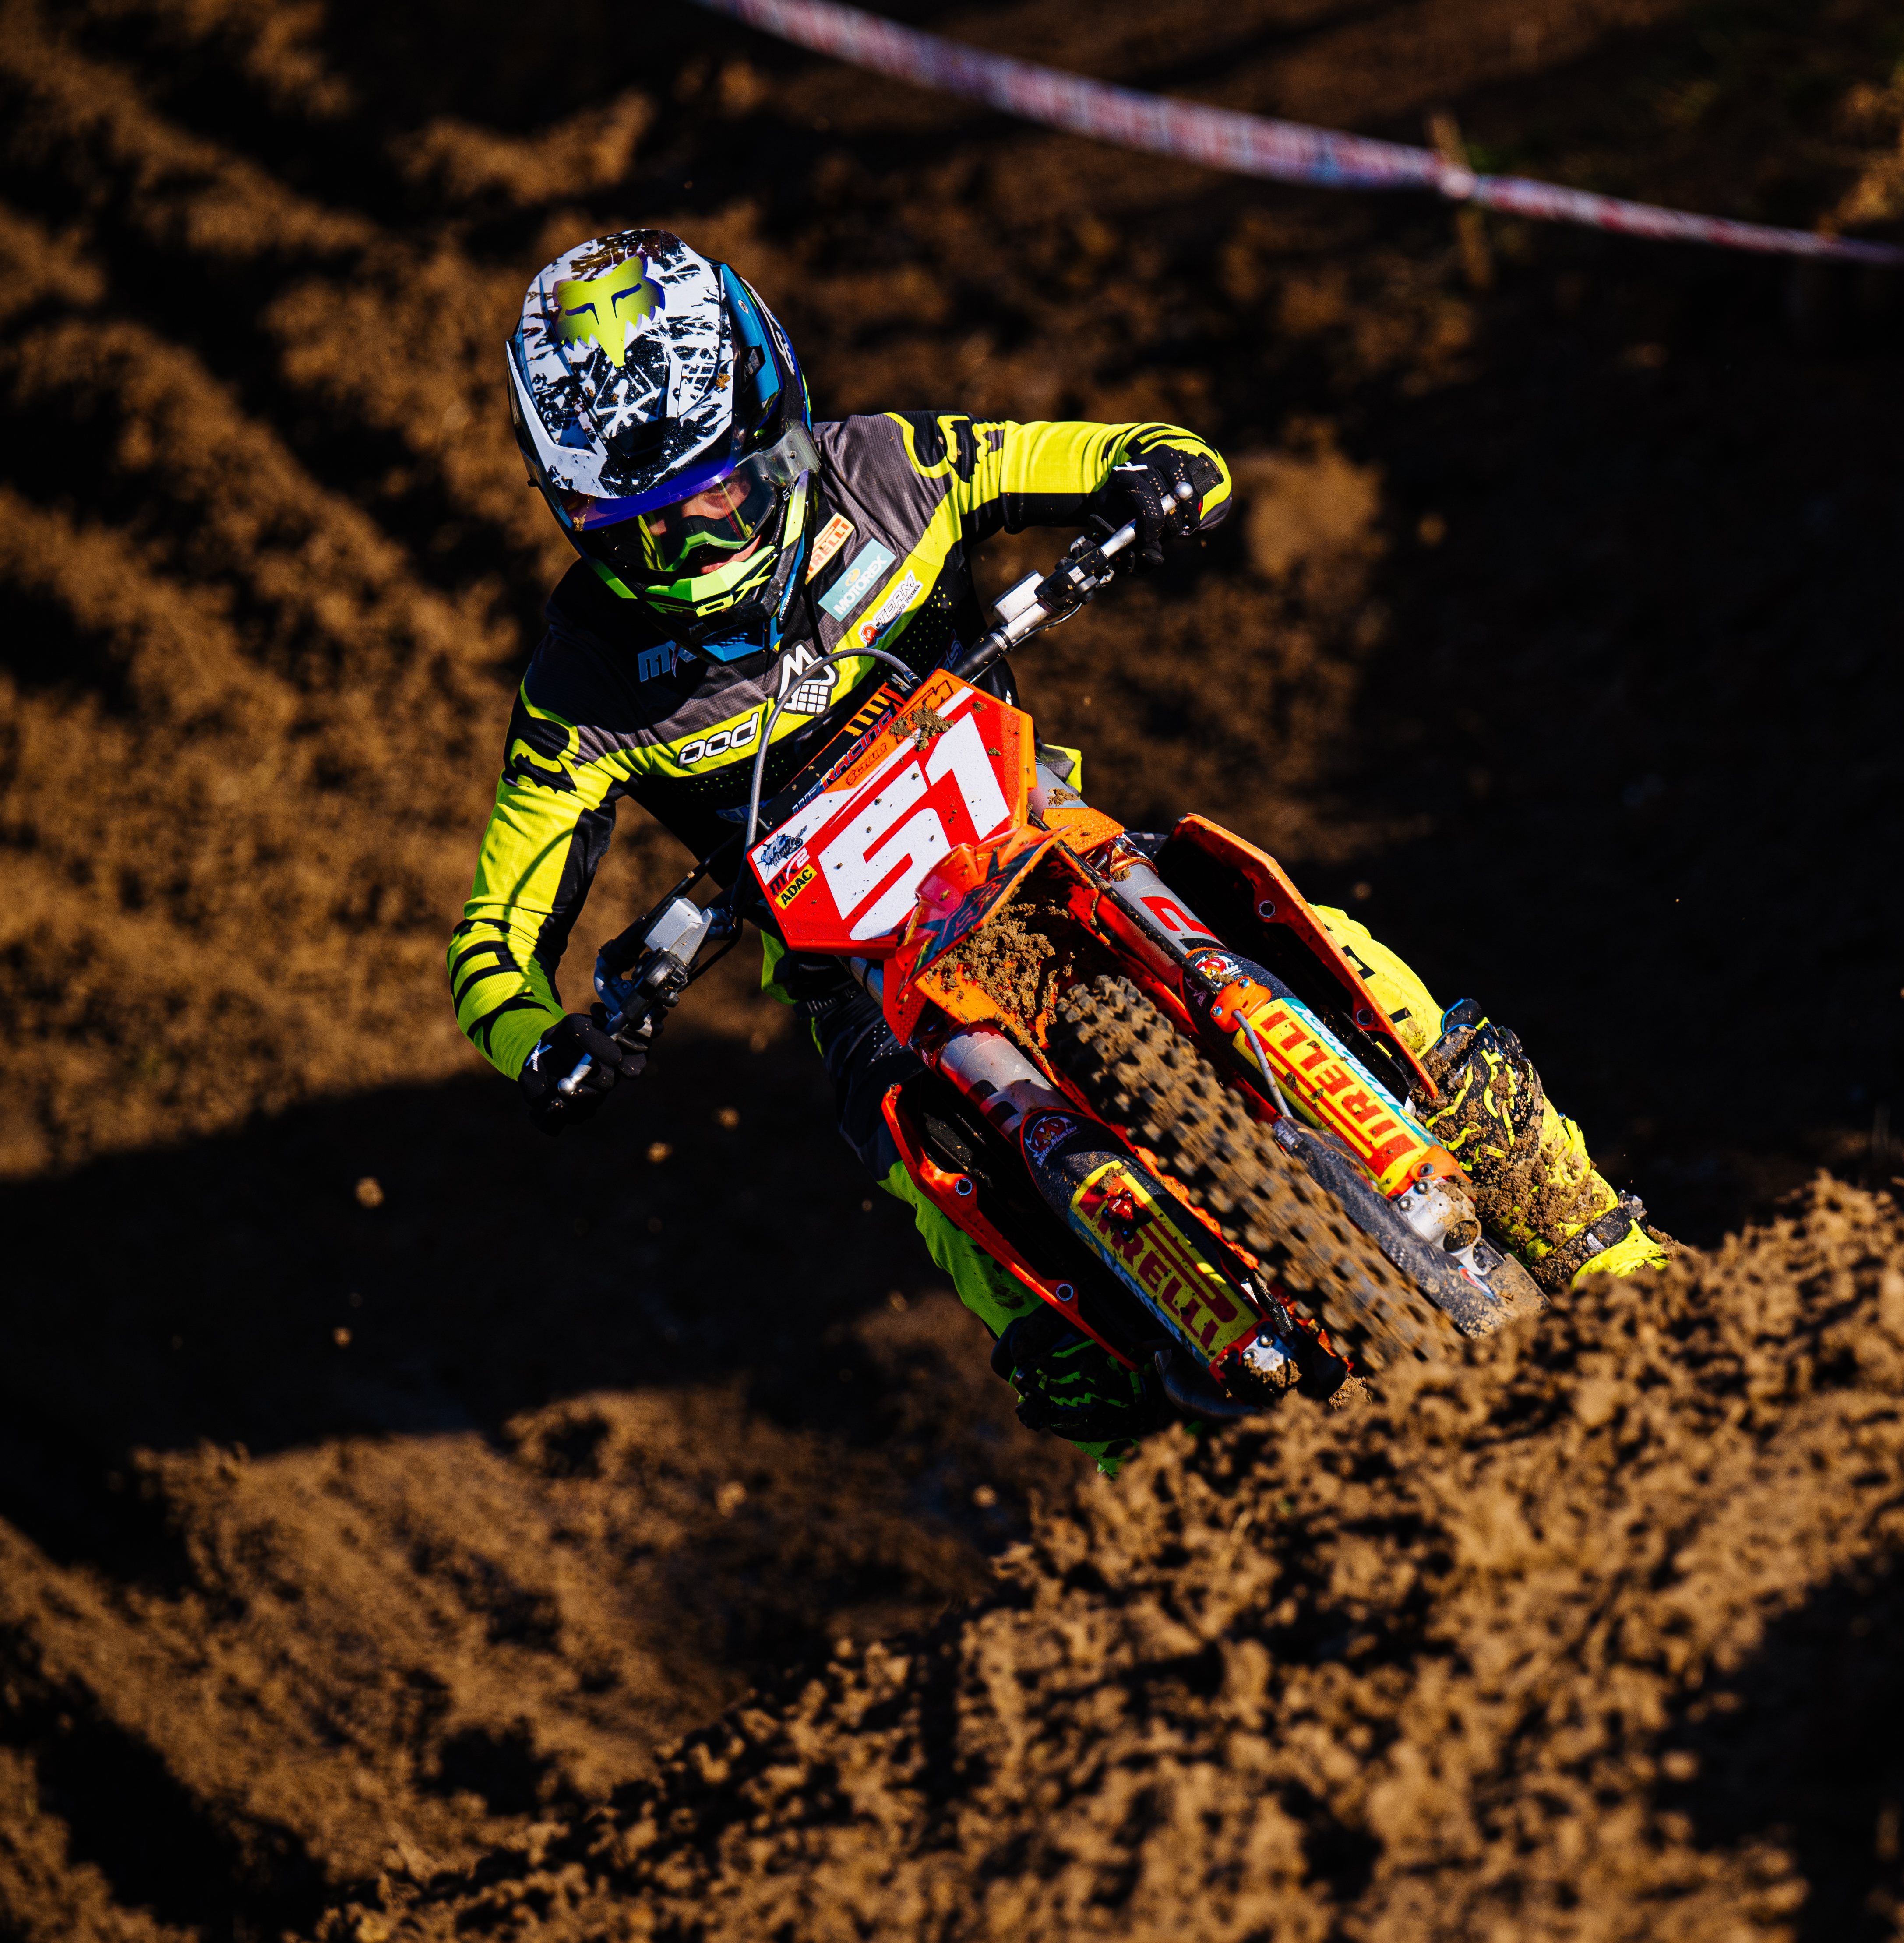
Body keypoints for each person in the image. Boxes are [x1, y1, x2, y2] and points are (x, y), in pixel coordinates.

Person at [451, 229, 1666, 1469]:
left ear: (779, 420)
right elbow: (490, 942)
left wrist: (1163, 477)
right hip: (864, 986)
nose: (698, 543)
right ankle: (1174, 1495)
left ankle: (1612, 1253)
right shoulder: (579, 691)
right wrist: (541, 1041)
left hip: (1039, 837)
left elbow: (1128, 450)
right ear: (577, 519)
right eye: (642, 528)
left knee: (1320, 944)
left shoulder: (894, 467)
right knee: (979, 1246)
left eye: (723, 491)